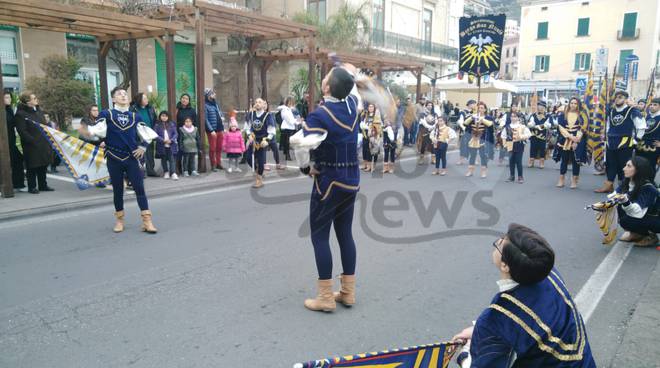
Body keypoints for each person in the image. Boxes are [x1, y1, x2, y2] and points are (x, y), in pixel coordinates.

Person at [452, 223, 596, 368]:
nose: (498, 241)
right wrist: (478, 332)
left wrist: (464, 355)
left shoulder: (496, 318)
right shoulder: (547, 272)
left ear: (505, 265)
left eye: (500, 242)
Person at [290, 65, 362, 312]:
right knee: (345, 234)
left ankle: (325, 298)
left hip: (328, 181)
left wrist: (305, 167)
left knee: (320, 237)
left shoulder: (320, 115)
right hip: (351, 180)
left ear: (328, 87)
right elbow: (353, 89)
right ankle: (348, 293)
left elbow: (299, 143)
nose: (324, 78)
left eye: (327, 76)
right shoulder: (353, 106)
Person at [83, 87, 157, 234]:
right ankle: (119, 220)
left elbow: (147, 134)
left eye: (125, 94)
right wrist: (92, 135)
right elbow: (97, 131)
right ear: (113, 99)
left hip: (131, 158)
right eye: (119, 94)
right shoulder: (107, 113)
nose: (123, 95)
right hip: (113, 158)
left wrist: (142, 147)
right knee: (118, 190)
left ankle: (147, 221)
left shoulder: (135, 116)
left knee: (139, 188)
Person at [595, 91, 646, 193]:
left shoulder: (632, 111)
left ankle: (623, 187)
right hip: (611, 142)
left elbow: (641, 126)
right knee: (610, 164)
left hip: (625, 143)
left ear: (626, 99)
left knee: (623, 165)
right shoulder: (611, 110)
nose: (617, 99)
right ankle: (609, 185)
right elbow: (608, 125)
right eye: (616, 97)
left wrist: (636, 140)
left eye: (620, 97)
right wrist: (606, 136)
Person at [608, 157, 660, 246]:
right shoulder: (628, 181)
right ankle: (636, 233)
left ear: (638, 170)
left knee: (625, 218)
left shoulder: (648, 187)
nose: (624, 168)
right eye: (625, 165)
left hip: (656, 219)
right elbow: (613, 195)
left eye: (628, 166)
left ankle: (650, 235)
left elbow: (637, 212)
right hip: (646, 216)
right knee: (615, 208)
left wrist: (625, 200)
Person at [13, 91, 54, 194]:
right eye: (34, 98)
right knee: (32, 166)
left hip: (43, 142)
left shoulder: (38, 110)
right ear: (27, 101)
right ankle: (32, 187)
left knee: (43, 164)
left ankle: (43, 185)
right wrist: (32, 140)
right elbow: (22, 131)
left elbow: (45, 125)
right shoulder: (20, 114)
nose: (36, 99)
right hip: (31, 144)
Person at [553, 97, 587, 189]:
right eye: (571, 103)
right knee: (564, 159)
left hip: (577, 140)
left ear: (578, 105)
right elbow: (561, 127)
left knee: (576, 161)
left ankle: (574, 180)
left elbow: (583, 127)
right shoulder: (563, 114)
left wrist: (577, 139)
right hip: (565, 139)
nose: (573, 105)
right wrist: (570, 136)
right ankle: (561, 179)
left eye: (575, 103)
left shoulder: (582, 115)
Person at [245, 98, 276, 188]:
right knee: (248, 158)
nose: (257, 103)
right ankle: (258, 171)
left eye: (259, 102)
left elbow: (272, 130)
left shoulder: (267, 115)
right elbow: (247, 127)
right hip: (253, 139)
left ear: (263, 105)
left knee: (261, 160)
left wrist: (267, 140)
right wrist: (249, 135)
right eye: (256, 102)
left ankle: (259, 179)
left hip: (262, 140)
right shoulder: (251, 114)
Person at [130, 92, 158, 177]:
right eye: (145, 98)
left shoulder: (150, 109)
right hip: (138, 135)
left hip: (149, 134)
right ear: (139, 100)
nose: (147, 100)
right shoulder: (132, 109)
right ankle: (141, 172)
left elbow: (155, 120)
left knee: (150, 153)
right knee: (140, 153)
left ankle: (151, 170)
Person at [464, 101, 495, 178]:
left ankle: (483, 172)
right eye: (479, 107)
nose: (480, 109)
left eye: (482, 108)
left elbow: (490, 124)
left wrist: (482, 119)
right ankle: (470, 171)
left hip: (483, 139)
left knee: (483, 156)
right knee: (472, 156)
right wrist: (472, 117)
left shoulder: (488, 117)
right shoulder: (473, 116)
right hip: (473, 139)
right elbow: (465, 123)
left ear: (485, 110)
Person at [502, 112, 531, 183]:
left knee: (518, 161)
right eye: (512, 116)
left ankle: (520, 177)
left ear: (518, 118)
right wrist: (504, 145)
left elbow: (529, 134)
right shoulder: (507, 126)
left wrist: (522, 137)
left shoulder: (522, 126)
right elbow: (503, 136)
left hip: (519, 145)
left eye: (515, 117)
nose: (513, 118)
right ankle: (512, 176)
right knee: (511, 161)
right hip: (509, 145)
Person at [4, 91, 25, 190]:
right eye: (6, 97)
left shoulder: (9, 110)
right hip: (4, 143)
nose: (9, 99)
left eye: (9, 97)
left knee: (18, 160)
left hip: (11, 142)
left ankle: (18, 184)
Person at [636, 97, 660, 179]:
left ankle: (648, 186)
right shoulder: (645, 116)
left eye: (655, 105)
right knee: (638, 167)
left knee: (650, 168)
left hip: (653, 148)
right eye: (651, 104)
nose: (652, 106)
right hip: (640, 146)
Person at [204, 88, 225, 172]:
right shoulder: (205, 105)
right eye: (212, 93)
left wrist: (222, 117)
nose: (214, 95)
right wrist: (211, 130)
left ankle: (218, 163)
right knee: (212, 148)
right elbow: (205, 119)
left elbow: (220, 113)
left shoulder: (215, 104)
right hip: (212, 130)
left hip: (220, 128)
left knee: (219, 147)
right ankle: (213, 165)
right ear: (208, 95)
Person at [154, 111, 178, 181]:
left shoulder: (172, 124)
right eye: (162, 116)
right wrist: (163, 140)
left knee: (172, 159)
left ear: (168, 117)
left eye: (166, 116)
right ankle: (166, 172)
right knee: (163, 159)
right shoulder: (157, 125)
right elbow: (155, 135)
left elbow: (176, 133)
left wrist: (172, 140)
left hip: (171, 145)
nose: (164, 117)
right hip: (162, 145)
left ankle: (173, 173)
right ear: (160, 117)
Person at [527, 100, 552, 169]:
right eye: (539, 106)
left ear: (544, 107)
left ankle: (542, 162)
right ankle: (531, 161)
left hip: (543, 136)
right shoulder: (533, 115)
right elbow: (530, 123)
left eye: (541, 106)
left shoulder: (548, 116)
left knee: (542, 148)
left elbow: (548, 125)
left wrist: (539, 127)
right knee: (533, 148)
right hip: (534, 135)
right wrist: (531, 125)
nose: (540, 107)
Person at [278, 96, 299, 163]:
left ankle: (286, 154)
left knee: (287, 142)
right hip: (287, 127)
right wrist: (297, 121)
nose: (291, 104)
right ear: (288, 102)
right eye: (290, 102)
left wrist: (297, 121)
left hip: (289, 127)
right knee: (287, 142)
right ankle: (287, 155)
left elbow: (292, 118)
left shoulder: (288, 109)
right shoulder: (285, 109)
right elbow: (289, 119)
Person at [359, 103, 379, 172]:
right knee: (365, 150)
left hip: (372, 135)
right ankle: (365, 165)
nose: (370, 108)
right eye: (369, 107)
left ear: (374, 108)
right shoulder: (366, 115)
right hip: (365, 134)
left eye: (372, 107)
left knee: (371, 151)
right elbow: (362, 122)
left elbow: (377, 125)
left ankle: (371, 166)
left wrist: (369, 127)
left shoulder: (375, 116)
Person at [457, 99, 477, 165]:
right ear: (469, 104)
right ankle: (461, 160)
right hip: (465, 130)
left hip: (473, 131)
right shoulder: (463, 112)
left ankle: (474, 159)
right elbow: (460, 121)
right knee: (463, 145)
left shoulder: (475, 113)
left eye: (475, 104)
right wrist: (463, 128)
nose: (475, 105)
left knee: (474, 145)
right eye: (474, 104)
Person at [417, 101, 436, 165]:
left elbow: (436, 122)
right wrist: (429, 127)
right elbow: (423, 122)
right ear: (426, 106)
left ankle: (433, 159)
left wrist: (433, 127)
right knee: (424, 144)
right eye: (428, 105)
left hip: (432, 131)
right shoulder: (422, 114)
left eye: (431, 105)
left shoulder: (434, 114)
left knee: (432, 144)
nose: (430, 106)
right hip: (424, 131)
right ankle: (421, 159)